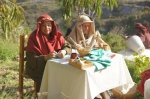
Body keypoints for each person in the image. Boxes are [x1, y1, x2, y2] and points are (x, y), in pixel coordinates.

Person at [25, 14, 72, 92]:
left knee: (67, 73)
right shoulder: (34, 37)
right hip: (38, 67)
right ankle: (45, 95)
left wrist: (64, 51)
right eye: (43, 25)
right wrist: (45, 57)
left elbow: (68, 46)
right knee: (51, 77)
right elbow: (30, 59)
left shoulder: (57, 35)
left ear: (52, 26)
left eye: (49, 25)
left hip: (56, 66)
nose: (47, 28)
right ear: (39, 26)